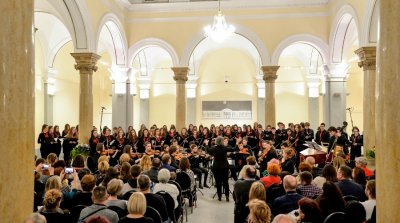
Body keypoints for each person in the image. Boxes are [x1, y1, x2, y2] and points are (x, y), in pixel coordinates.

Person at [208, 136, 235, 201]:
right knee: (225, 182)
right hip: (225, 167)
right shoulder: (225, 148)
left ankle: (219, 197)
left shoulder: (213, 148)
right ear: (222, 141)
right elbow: (233, 149)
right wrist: (236, 143)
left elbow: (208, 150)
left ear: (216, 141)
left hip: (216, 167)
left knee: (218, 182)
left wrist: (208, 143)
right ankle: (227, 196)